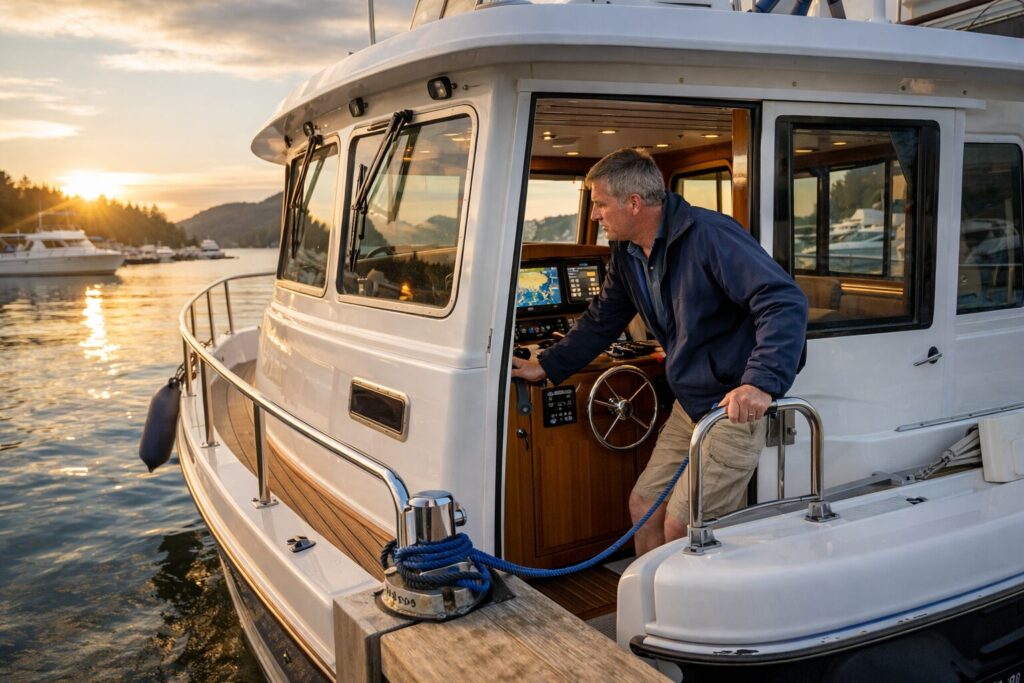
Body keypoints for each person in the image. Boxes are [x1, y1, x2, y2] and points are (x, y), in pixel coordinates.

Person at [511, 148, 808, 555]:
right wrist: (545, 365)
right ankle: (651, 612)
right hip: (689, 403)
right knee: (644, 506)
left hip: (729, 406)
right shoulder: (628, 250)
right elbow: (604, 317)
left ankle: (696, 617)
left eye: (599, 204)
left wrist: (759, 383)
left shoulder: (710, 235)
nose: (595, 215)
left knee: (682, 526)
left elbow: (783, 301)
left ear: (633, 204)